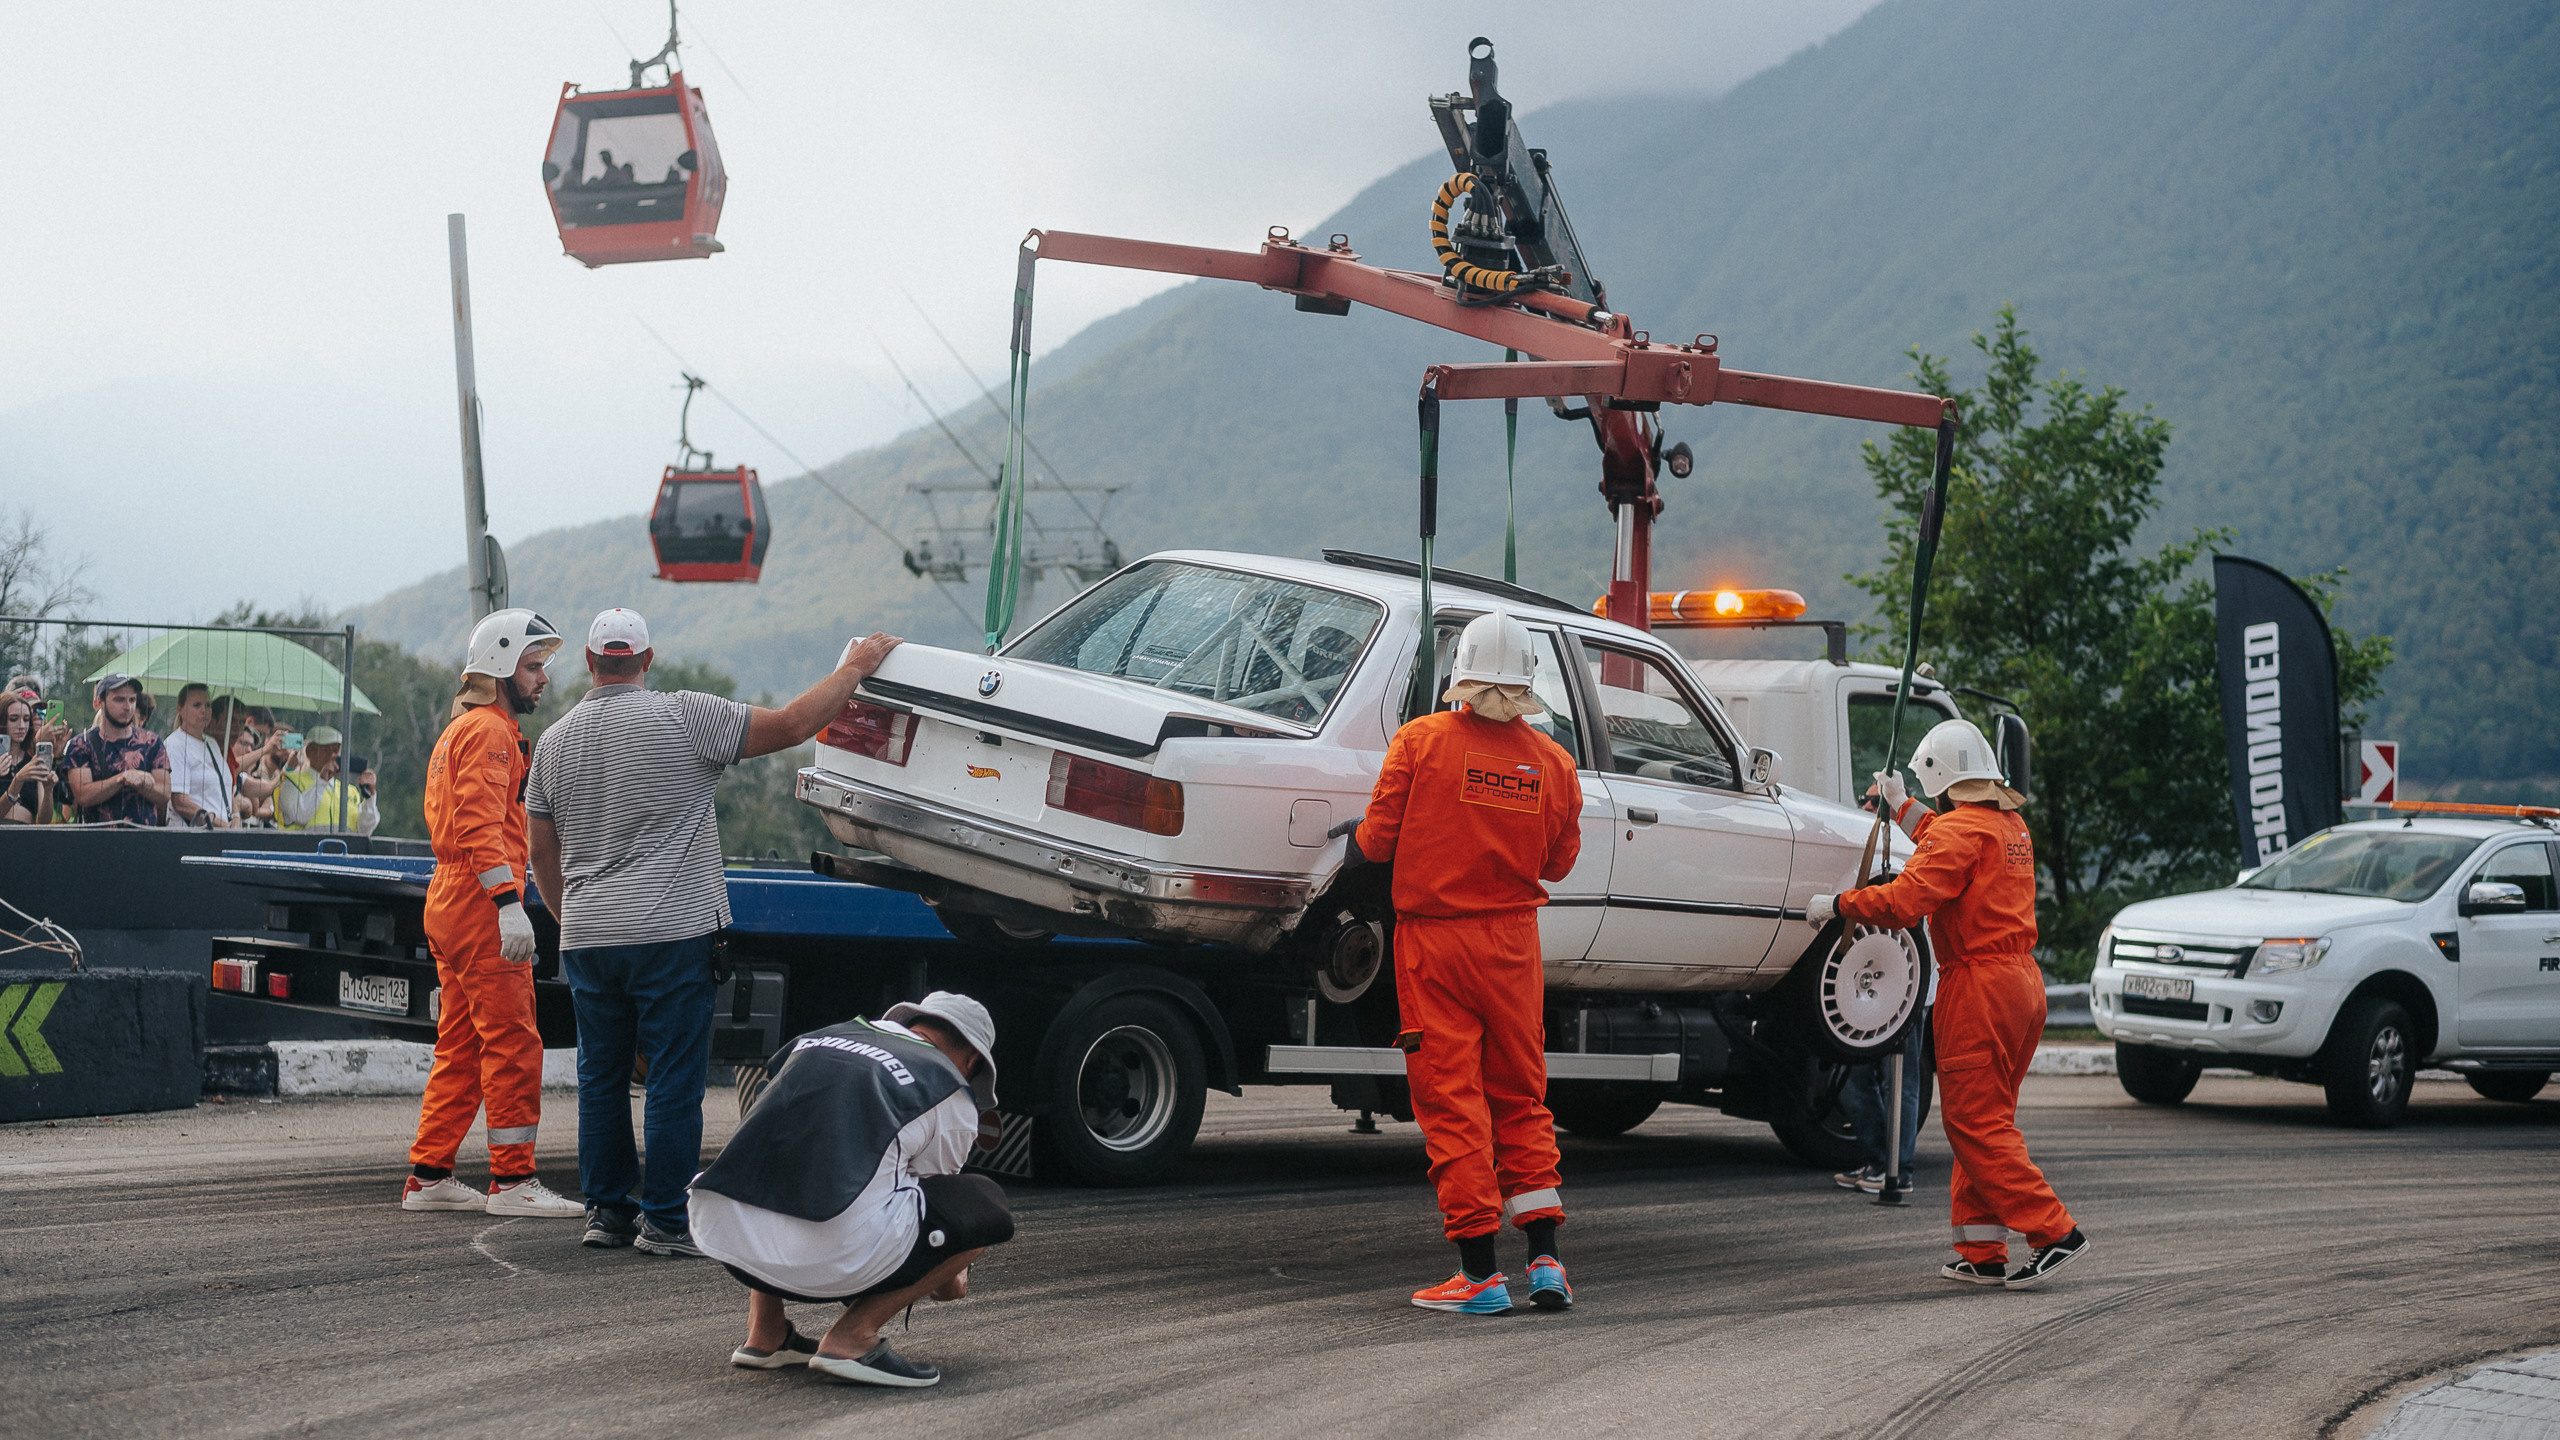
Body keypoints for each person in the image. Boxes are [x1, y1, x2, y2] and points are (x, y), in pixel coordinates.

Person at [526, 608, 903, 1257]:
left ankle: (607, 1214)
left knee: (602, 1077)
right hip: (672, 930)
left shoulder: (554, 743)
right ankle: (667, 1222)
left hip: (589, 934)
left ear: (590, 663)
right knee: (673, 1078)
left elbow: (541, 853)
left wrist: (573, 923)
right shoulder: (684, 715)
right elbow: (791, 724)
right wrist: (857, 668)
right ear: (647, 661)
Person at [1343, 610, 1583, 1316]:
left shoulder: (1420, 741)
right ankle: (1546, 1263)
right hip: (1513, 947)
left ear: (1462, 675)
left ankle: (1478, 1275)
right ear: (1527, 685)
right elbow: (1560, 863)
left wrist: (1353, 839)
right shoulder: (1555, 763)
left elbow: (1377, 843)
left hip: (1436, 944)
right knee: (1521, 1099)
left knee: (1454, 1104)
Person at [1809, 718, 2090, 1289]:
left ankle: (2054, 1230)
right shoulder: (2008, 826)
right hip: (2021, 985)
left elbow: (1908, 900)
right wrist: (1904, 805)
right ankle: (1983, 1251)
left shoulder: (1961, 834)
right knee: (1986, 1121)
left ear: (1943, 779)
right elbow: (1947, 837)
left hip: (1977, 985)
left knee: (1974, 1123)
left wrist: (1837, 905)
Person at [692, 992, 1014, 1388]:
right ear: (973, 1062)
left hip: (727, 1236)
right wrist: (949, 1274)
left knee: (788, 1154)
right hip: (833, 1260)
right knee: (983, 1204)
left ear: (912, 1023)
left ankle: (766, 1332)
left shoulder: (815, 1039)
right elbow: (940, 1205)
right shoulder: (948, 1087)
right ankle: (852, 1338)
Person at [401, 609, 584, 1220]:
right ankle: (514, 1181)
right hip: (480, 904)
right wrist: (510, 905)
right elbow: (480, 824)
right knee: (511, 1041)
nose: (543, 679)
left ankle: (429, 1175)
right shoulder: (490, 733)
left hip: (453, 898)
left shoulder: (464, 729)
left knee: (460, 1044)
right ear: (503, 669)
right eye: (534, 667)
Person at [63, 675, 169, 826]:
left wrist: (143, 784)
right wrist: (123, 778)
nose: (128, 707)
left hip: (145, 841)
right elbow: (83, 796)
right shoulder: (81, 744)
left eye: (132, 700)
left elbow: (165, 794)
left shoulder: (152, 742)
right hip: (97, 842)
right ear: (99, 702)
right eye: (119, 700)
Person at [272, 724, 380, 835]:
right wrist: (322, 781)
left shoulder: (350, 791)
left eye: (336, 750)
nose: (333, 755)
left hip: (345, 850)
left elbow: (365, 830)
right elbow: (298, 815)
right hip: (307, 850)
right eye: (326, 750)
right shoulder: (292, 781)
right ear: (310, 751)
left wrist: (370, 797)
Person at [163, 684, 237, 829]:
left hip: (221, 832)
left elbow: (226, 789)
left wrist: (236, 817)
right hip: (195, 835)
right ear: (180, 709)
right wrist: (221, 825)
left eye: (208, 705)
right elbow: (180, 802)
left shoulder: (212, 743)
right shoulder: (175, 744)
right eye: (197, 705)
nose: (204, 710)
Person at [2, 695, 59, 824]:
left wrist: (48, 790)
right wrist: (18, 780)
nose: (21, 726)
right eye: (13, 719)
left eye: (26, 719)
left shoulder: (34, 760)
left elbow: (44, 820)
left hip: (26, 836)